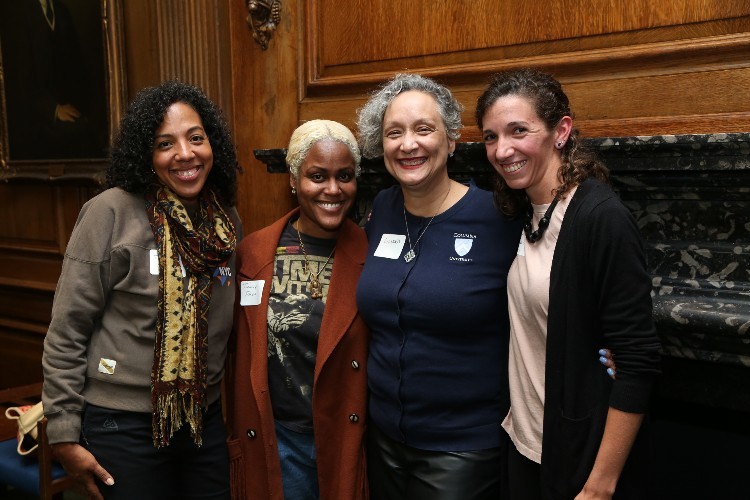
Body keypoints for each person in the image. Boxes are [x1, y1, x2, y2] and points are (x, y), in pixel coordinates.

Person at [42, 80, 242, 500]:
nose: (185, 154)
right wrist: (62, 432)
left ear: (213, 145)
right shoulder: (110, 212)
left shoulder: (226, 223)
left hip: (202, 421)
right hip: (121, 425)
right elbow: (67, 329)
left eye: (196, 138)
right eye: (165, 143)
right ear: (146, 155)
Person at [476, 68, 661, 500]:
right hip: (523, 445)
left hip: (578, 462)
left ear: (561, 131)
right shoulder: (521, 211)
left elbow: (636, 362)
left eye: (518, 131)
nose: (502, 150)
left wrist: (599, 487)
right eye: (489, 137)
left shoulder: (601, 218)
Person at [355, 73, 522, 500]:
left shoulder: (498, 216)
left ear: (450, 141)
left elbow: (547, 297)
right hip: (384, 438)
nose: (408, 144)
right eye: (394, 133)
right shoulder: (383, 209)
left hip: (462, 446)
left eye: (423, 129)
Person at [227, 120, 369, 500]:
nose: (333, 190)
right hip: (278, 438)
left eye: (345, 176)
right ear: (293, 180)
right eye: (317, 176)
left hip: (345, 438)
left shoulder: (373, 256)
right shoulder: (253, 254)